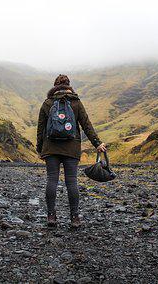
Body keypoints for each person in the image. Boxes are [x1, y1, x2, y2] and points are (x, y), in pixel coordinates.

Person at [36, 74, 106, 228]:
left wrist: (40, 149)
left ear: (55, 86)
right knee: (72, 182)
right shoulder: (76, 102)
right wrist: (97, 144)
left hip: (51, 148)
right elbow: (86, 125)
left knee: (52, 180)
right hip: (72, 147)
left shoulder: (47, 103)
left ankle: (51, 217)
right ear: (69, 86)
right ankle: (74, 218)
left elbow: (40, 128)